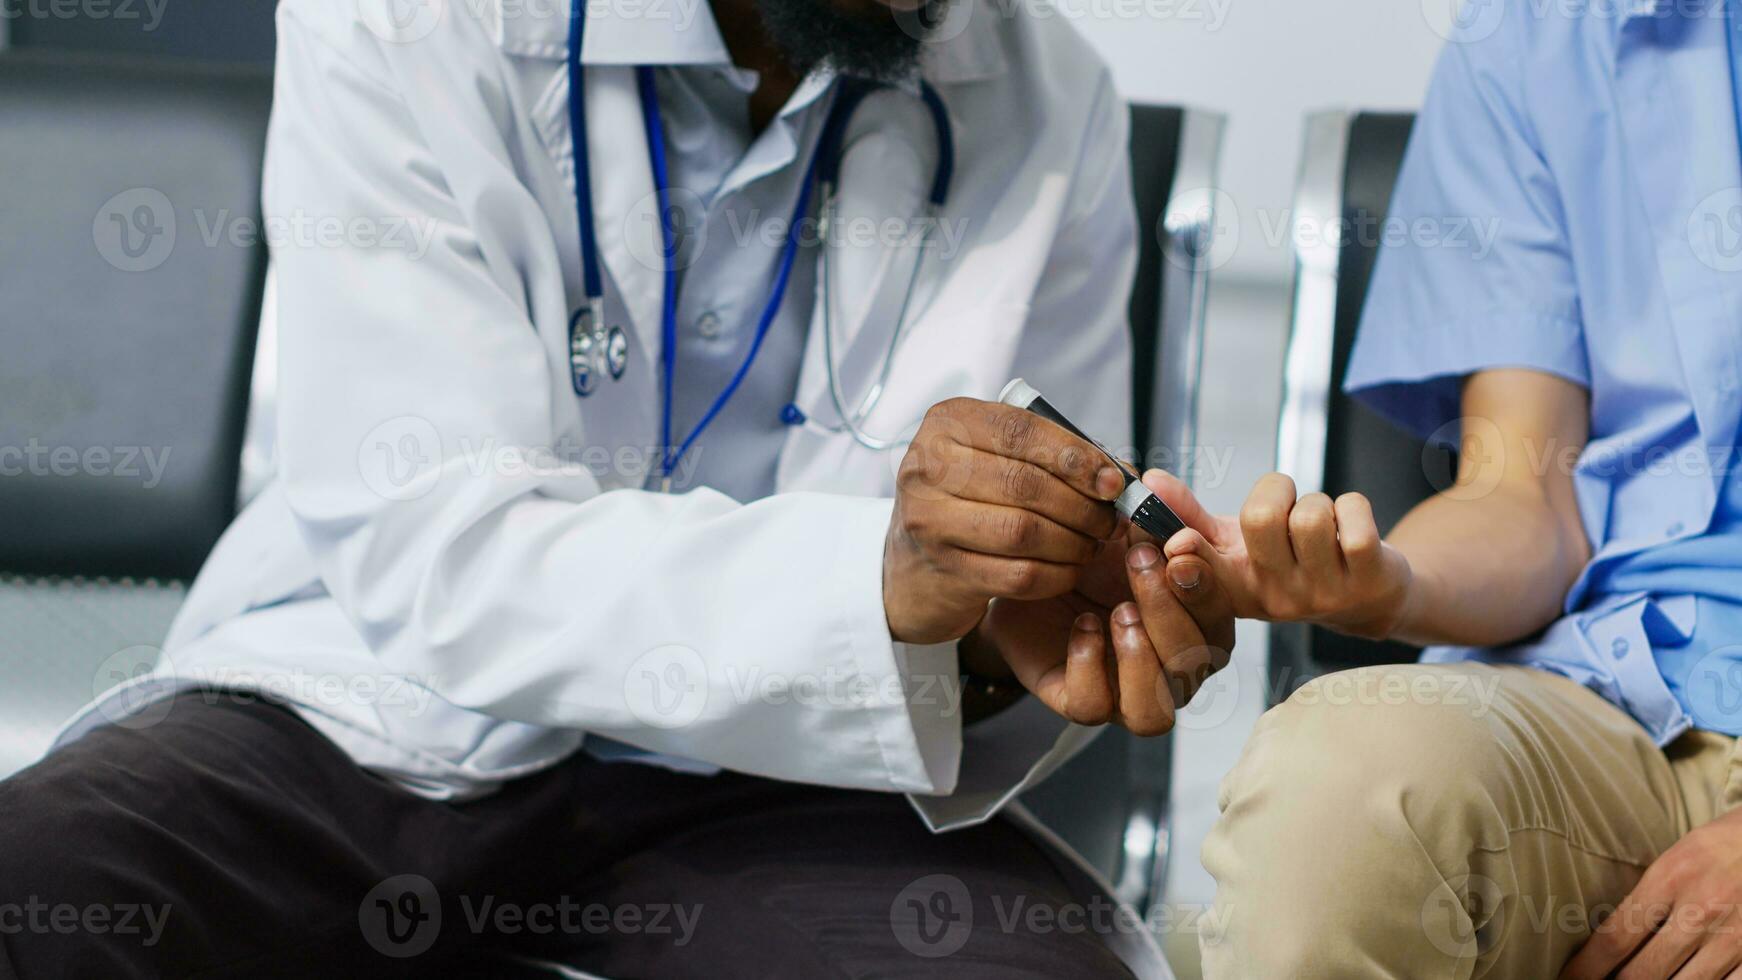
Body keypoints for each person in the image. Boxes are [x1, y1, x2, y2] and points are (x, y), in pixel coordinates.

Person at [0, 0, 1233, 975]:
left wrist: (1007, 632)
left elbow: (990, 627)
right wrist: (873, 583)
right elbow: (441, 542)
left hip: (783, 768)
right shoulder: (405, 19)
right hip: (375, 696)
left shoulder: (1050, 96)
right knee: (42, 881)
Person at [1181, 0, 1742, 976]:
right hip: (1617, 689)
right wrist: (1387, 581)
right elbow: (1522, 489)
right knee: (1340, 784)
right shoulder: (1538, 29)